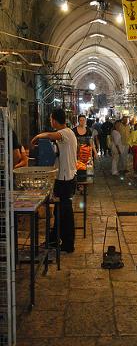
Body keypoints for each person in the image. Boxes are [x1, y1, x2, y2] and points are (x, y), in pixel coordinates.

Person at [31, 108, 77, 253]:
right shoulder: (68, 133)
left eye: (51, 119)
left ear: (55, 120)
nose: (51, 122)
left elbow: (52, 135)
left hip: (65, 179)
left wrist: (38, 136)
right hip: (66, 177)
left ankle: (68, 244)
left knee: (65, 212)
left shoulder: (65, 133)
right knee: (60, 210)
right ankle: (54, 239)